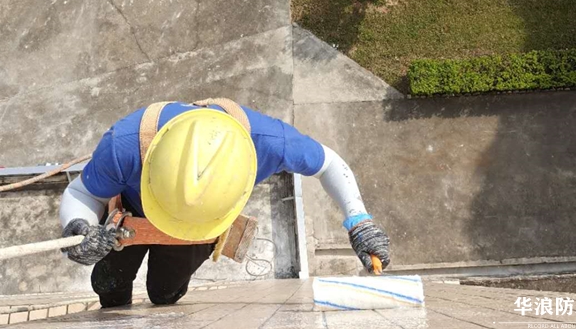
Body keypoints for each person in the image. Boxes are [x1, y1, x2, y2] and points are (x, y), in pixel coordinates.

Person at [59, 100, 390, 308]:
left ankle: (167, 288)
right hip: (131, 216)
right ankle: (112, 292)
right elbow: (82, 194)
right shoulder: (125, 145)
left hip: (206, 224)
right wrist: (80, 229)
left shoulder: (268, 142)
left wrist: (358, 221)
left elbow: (328, 164)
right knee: (108, 287)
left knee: (165, 294)